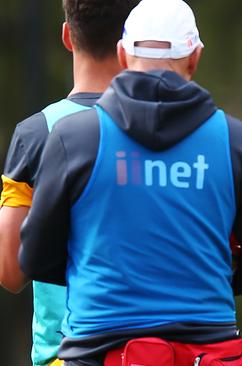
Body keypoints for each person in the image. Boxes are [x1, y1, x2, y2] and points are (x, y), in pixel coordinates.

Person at [18, 0, 242, 365]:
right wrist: (208, 277)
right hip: (209, 348)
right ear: (195, 58)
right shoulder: (234, 140)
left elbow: (34, 258)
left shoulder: (72, 138)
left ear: (122, 55)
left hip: (97, 352)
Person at [0, 1, 138, 365]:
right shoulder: (162, 129)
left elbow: (10, 269)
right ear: (130, 43)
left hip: (64, 355)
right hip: (144, 351)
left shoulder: (35, 132)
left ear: (67, 35)